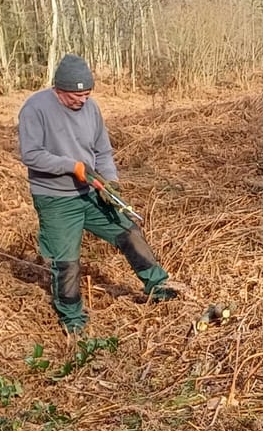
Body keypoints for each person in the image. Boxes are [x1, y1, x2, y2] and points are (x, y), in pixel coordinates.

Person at [17, 54, 176, 333]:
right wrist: (71, 166)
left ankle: (158, 285)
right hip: (56, 198)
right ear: (58, 89)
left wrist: (110, 181)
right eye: (75, 96)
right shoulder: (35, 108)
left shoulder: (91, 109)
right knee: (66, 261)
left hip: (91, 190)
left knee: (128, 230)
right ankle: (72, 319)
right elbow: (31, 155)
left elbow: (102, 151)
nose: (81, 101)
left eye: (86, 94)